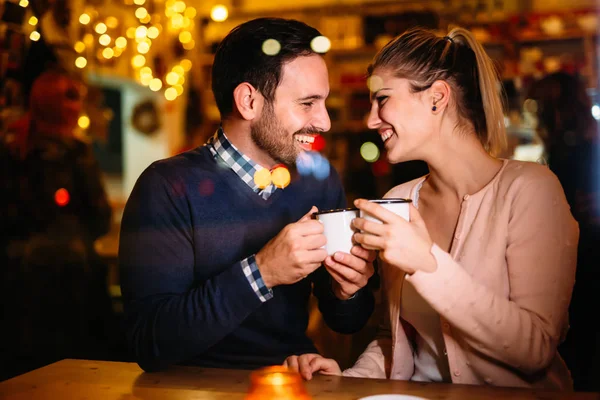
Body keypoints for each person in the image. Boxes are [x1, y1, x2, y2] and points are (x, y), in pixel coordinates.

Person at [284, 28, 579, 390]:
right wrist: (348, 378)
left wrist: (426, 264)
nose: (371, 120)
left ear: (437, 97)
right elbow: (399, 342)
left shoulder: (530, 190)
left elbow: (536, 349)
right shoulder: (398, 198)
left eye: (383, 99)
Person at [118, 17, 376, 373]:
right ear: (249, 101)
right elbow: (149, 342)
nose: (325, 122)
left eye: (324, 103)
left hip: (290, 387)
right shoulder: (166, 187)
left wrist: (348, 291)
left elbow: (345, 321)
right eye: (307, 103)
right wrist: (263, 271)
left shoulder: (320, 181)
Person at [0, 69, 113, 380]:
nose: (77, 107)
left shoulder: (11, 147)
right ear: (52, 103)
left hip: (17, 286)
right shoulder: (74, 153)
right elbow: (99, 216)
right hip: (69, 283)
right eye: (70, 98)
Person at [528, 72, 600, 391]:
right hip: (583, 243)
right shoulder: (584, 138)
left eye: (544, 105)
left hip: (583, 247)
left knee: (581, 330)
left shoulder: (572, 143)